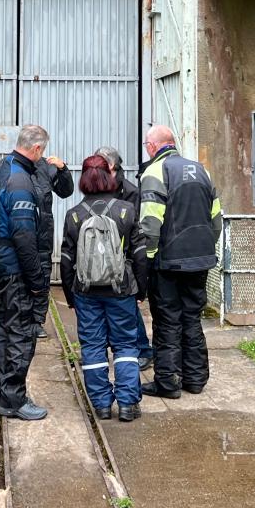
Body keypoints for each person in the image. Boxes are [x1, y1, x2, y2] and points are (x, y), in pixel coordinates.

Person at [60, 155, 147, 422]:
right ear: (109, 177)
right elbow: (141, 254)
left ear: (83, 179)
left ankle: (101, 405)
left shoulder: (74, 215)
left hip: (85, 293)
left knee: (92, 346)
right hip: (121, 290)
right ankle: (128, 404)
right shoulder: (126, 211)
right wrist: (141, 290)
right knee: (125, 345)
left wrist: (70, 296)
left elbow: (66, 260)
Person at [138, 125, 222, 400]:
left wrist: (147, 262)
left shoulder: (155, 171)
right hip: (200, 260)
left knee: (167, 321)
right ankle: (195, 379)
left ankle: (167, 383)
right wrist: (204, 247)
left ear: (153, 146)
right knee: (192, 318)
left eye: (146, 145)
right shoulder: (202, 170)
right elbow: (216, 219)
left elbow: (150, 224)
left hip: (169, 263)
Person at [0, 124, 56, 420]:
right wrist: (38, 281)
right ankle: (13, 398)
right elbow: (24, 236)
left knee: (4, 328)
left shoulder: (3, 169)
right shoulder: (20, 181)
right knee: (21, 333)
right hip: (14, 269)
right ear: (37, 149)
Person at [96, 145, 155, 371]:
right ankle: (97, 351)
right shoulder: (98, 188)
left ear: (111, 166)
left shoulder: (130, 193)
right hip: (99, 259)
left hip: (123, 261)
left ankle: (143, 350)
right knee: (98, 308)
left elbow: (135, 230)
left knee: (129, 307)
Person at [30, 150, 73, 339]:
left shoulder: (48, 167)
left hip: (43, 233)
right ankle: (17, 319)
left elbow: (66, 192)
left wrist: (63, 169)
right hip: (18, 230)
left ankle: (37, 320)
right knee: (18, 276)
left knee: (42, 274)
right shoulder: (8, 165)